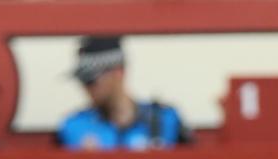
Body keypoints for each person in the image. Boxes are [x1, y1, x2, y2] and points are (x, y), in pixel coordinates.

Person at [57, 35, 187, 151]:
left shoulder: (164, 119)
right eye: (82, 81)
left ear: (118, 72)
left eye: (91, 80)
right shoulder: (74, 126)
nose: (86, 88)